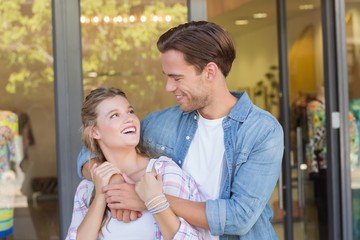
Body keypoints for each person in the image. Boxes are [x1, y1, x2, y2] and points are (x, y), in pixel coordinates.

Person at [78, 21, 284, 239]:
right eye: (166, 76)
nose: (168, 87)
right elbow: (90, 152)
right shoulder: (163, 123)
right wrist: (114, 179)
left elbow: (238, 218)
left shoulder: (262, 131)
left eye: (176, 78)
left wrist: (150, 199)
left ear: (210, 72)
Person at [67, 87, 206, 240]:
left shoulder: (163, 173)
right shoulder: (87, 188)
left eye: (130, 111)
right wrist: (101, 195)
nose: (129, 119)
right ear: (95, 132)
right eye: (114, 115)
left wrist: (154, 200)